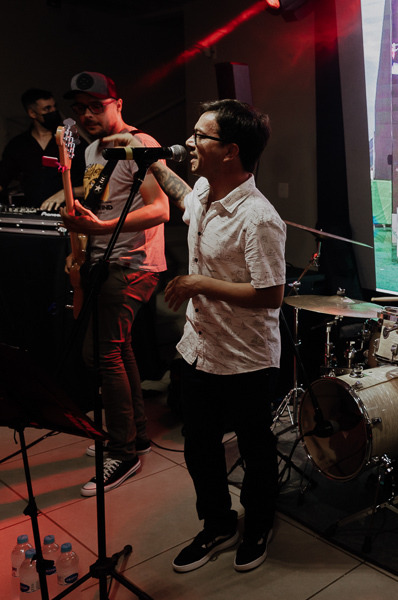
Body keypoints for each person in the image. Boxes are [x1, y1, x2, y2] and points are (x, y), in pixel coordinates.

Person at [106, 100, 285, 573]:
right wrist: (150, 160)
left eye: (200, 136)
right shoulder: (206, 190)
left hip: (246, 357)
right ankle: (218, 522)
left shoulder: (259, 218)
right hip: (199, 349)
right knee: (199, 445)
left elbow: (271, 295)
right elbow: (186, 200)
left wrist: (197, 283)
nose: (189, 142)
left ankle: (258, 522)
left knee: (255, 448)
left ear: (230, 150)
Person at [60, 71, 167, 496]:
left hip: (133, 264)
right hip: (106, 262)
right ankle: (135, 435)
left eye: (96, 106)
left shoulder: (140, 144)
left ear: (118, 104)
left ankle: (123, 452)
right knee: (116, 350)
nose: (87, 114)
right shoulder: (91, 150)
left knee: (103, 353)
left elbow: (161, 209)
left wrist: (102, 228)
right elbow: (103, 205)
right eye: (80, 108)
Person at [0, 88, 85, 209]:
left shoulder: (72, 140)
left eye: (54, 106)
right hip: (34, 213)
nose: (53, 111)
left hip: (68, 212)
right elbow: (3, 177)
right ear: (32, 113)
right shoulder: (18, 145)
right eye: (47, 108)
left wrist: (67, 193)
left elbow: (94, 184)